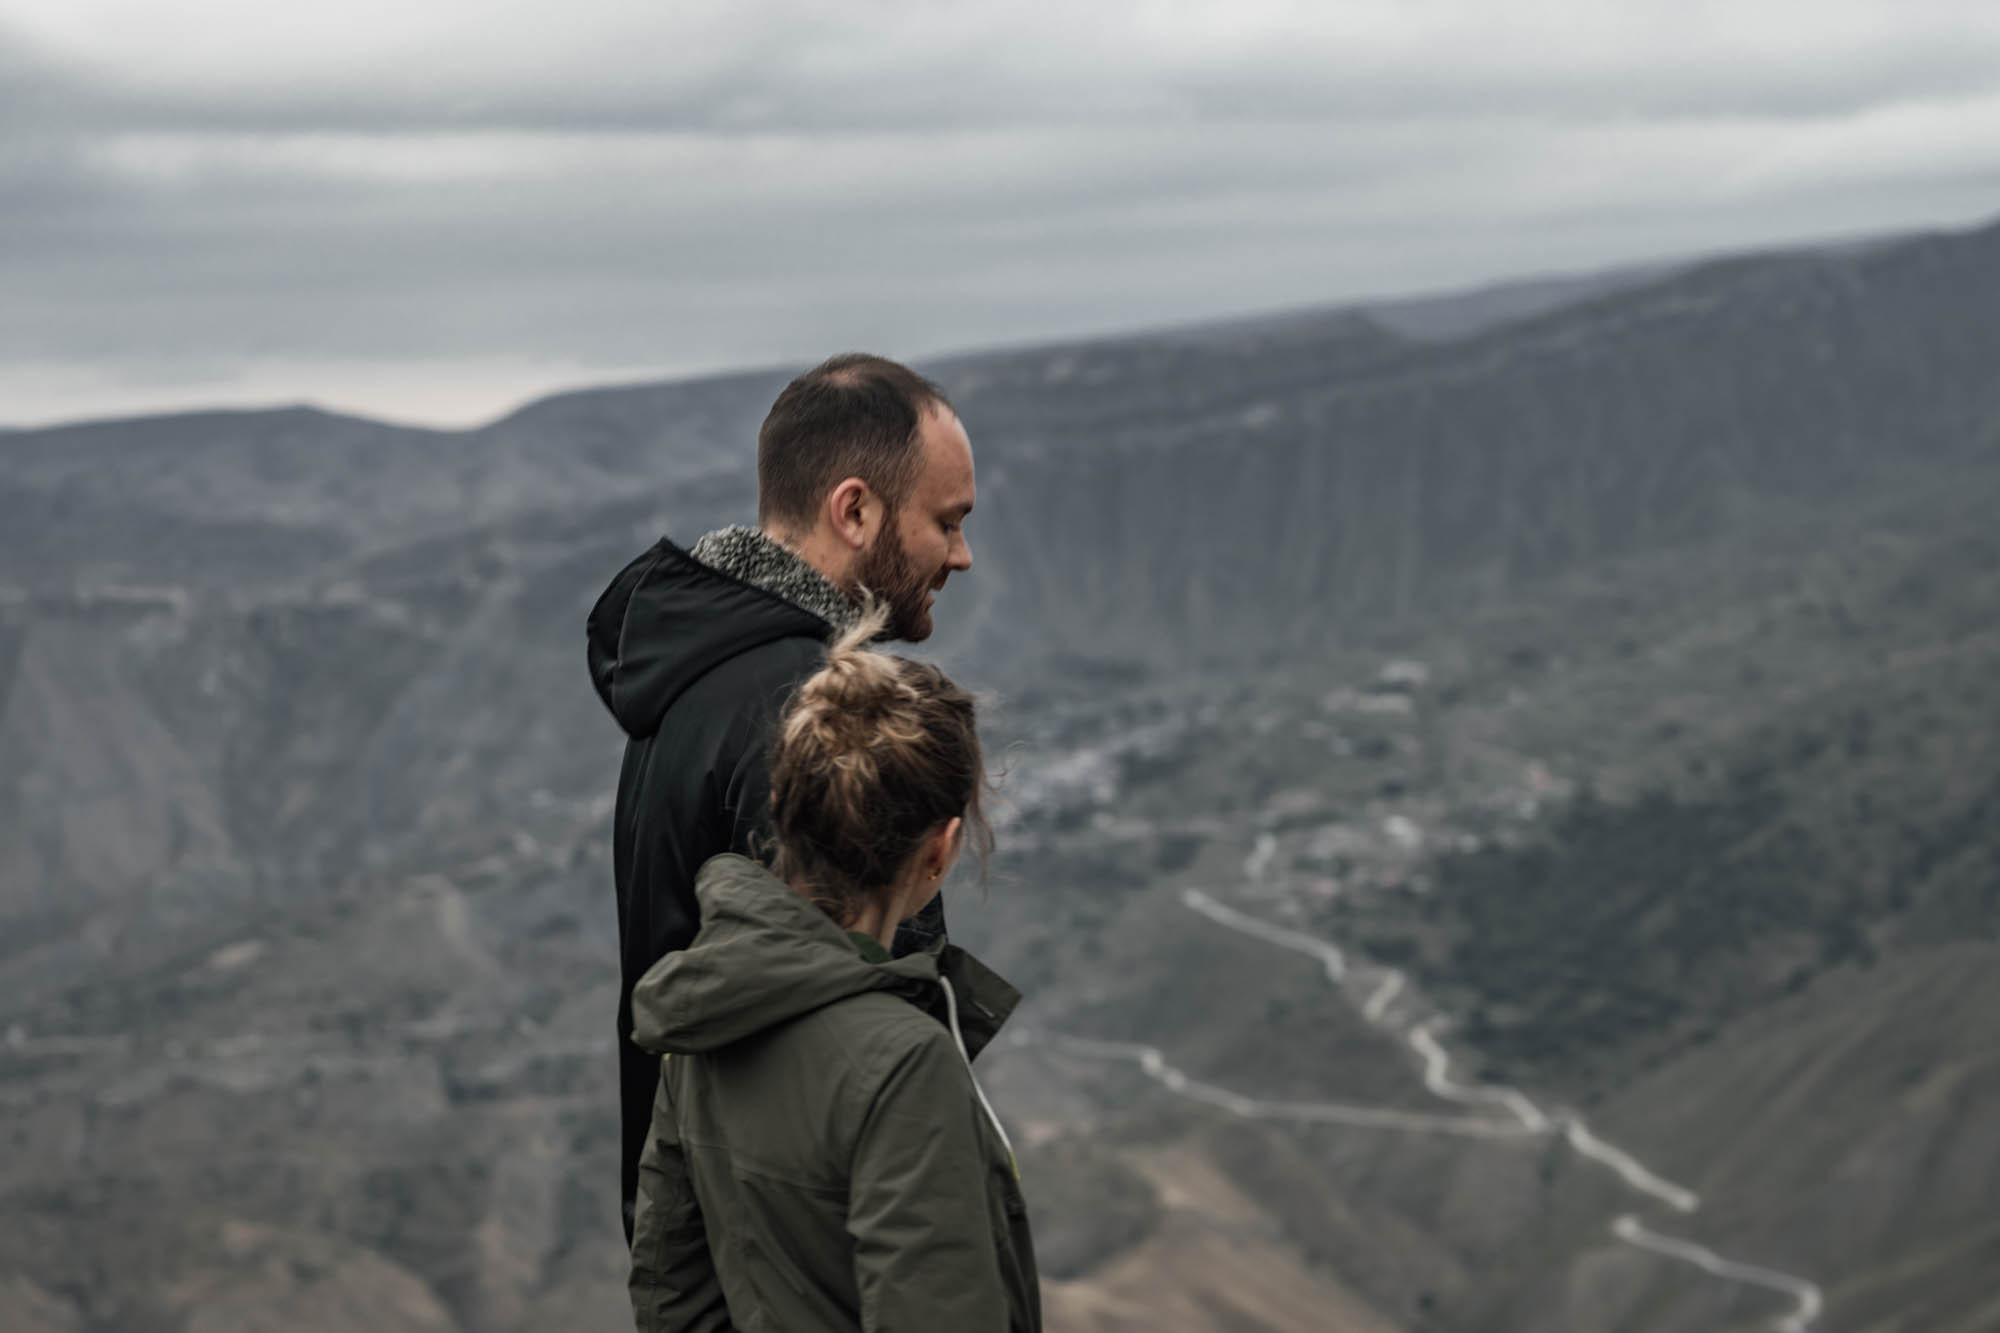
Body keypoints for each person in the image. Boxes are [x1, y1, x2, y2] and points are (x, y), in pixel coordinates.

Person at [586, 354, 978, 1239]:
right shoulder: (811, 718)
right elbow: (860, 1064)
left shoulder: (690, 683)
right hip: (805, 1257)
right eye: (946, 522)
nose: (962, 554)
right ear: (855, 510)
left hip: (707, 1237)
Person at [625, 609, 1038, 1332]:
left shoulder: (705, 1011)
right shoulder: (904, 1062)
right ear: (939, 851)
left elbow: (671, 1297)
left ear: (783, 806)